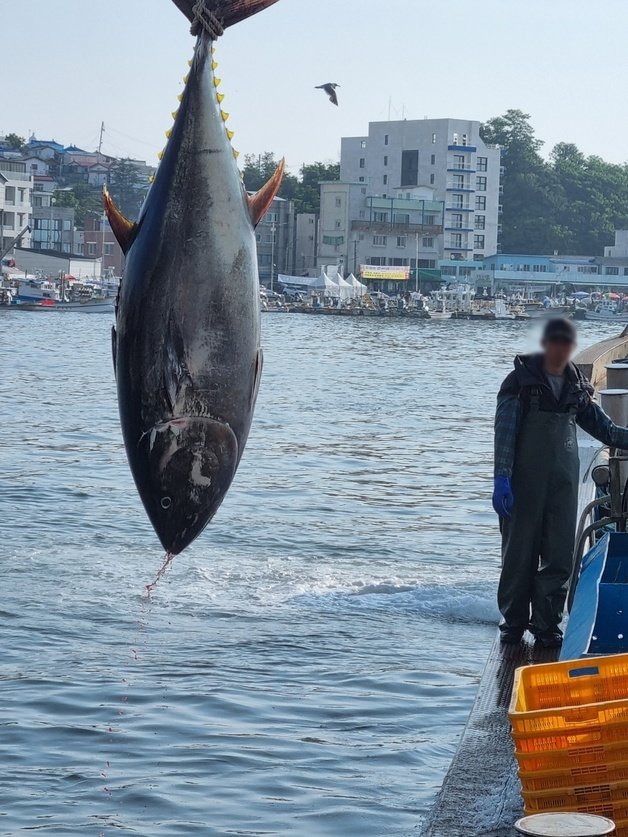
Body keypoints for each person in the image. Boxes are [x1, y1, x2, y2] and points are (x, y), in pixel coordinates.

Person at [493, 318, 628, 648]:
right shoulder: (520, 383)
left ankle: (547, 624)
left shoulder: (575, 387)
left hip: (562, 486)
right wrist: (502, 478)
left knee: (559, 555)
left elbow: (606, 430)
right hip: (522, 484)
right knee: (519, 554)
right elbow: (505, 435)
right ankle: (513, 623)